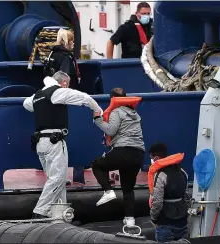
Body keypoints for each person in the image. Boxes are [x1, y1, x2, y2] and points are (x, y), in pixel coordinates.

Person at [23, 71, 103, 218]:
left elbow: (26, 104)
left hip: (40, 142)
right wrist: (97, 109)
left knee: (54, 179)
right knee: (59, 178)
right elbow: (83, 98)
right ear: (64, 83)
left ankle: (59, 215)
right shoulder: (58, 92)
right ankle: (40, 211)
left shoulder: (37, 96)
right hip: (54, 142)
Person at [91, 88, 145, 227]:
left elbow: (110, 130)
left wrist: (97, 119)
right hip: (138, 154)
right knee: (128, 188)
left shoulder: (116, 111)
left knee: (97, 165)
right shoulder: (135, 114)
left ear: (112, 98)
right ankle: (130, 220)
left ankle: (108, 191)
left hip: (123, 150)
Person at [147, 143, 190, 242]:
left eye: (151, 158)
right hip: (182, 223)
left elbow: (157, 202)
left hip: (165, 224)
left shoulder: (160, 175)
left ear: (156, 158)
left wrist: (153, 218)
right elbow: (186, 196)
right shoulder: (182, 171)